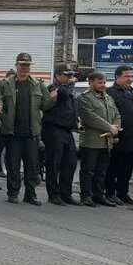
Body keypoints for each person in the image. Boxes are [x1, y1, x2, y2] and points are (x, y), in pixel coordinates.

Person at [0, 53, 56, 205]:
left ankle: (30, 194)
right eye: (22, 65)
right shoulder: (5, 84)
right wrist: (3, 117)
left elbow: (45, 105)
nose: (25, 68)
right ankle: (13, 193)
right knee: (13, 165)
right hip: (13, 133)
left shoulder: (38, 84)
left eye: (28, 65)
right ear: (16, 66)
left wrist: (53, 99)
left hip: (31, 133)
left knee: (31, 166)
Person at [77, 72, 121, 207]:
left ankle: (98, 195)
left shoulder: (108, 98)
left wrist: (115, 128)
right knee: (88, 171)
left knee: (101, 171)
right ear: (90, 82)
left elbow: (117, 114)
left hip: (106, 141)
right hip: (91, 141)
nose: (103, 85)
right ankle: (86, 196)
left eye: (104, 82)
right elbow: (89, 117)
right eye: (99, 82)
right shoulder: (84, 98)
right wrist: (109, 127)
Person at [42, 63, 81, 206]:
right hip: (54, 130)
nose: (71, 78)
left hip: (67, 131)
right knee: (54, 164)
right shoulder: (53, 88)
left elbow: (72, 108)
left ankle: (66, 194)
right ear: (58, 75)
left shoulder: (69, 90)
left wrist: (76, 123)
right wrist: (68, 85)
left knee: (70, 164)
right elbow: (62, 95)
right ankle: (53, 195)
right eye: (67, 75)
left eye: (71, 75)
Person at [105, 65, 133, 206]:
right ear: (117, 77)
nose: (130, 79)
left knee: (127, 169)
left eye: (132, 76)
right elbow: (109, 116)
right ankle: (109, 193)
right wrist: (113, 136)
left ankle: (123, 193)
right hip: (119, 138)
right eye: (127, 76)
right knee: (113, 168)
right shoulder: (110, 93)